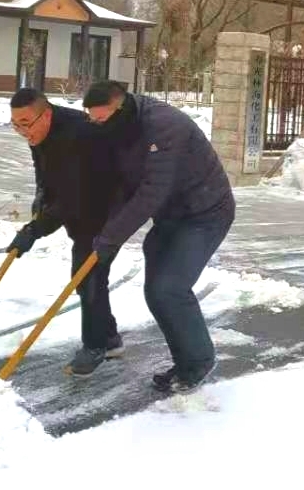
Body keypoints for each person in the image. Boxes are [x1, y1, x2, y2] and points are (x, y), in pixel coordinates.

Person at [82, 80, 235, 394]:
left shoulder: (164, 126)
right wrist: (104, 232)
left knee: (170, 288)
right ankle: (185, 363)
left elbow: (151, 191)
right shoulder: (119, 130)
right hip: (170, 217)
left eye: (101, 119)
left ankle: (199, 361)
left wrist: (111, 239)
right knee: (156, 292)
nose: (97, 126)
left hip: (204, 213)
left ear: (120, 107)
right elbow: (122, 186)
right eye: (91, 120)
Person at [6, 87, 123, 376]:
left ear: (45, 114)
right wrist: (41, 200)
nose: (21, 131)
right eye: (15, 124)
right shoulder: (39, 130)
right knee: (88, 274)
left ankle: (95, 346)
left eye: (25, 124)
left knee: (87, 273)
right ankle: (108, 337)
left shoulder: (80, 136)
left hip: (107, 207)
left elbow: (74, 197)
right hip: (80, 205)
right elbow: (45, 170)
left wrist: (35, 229)